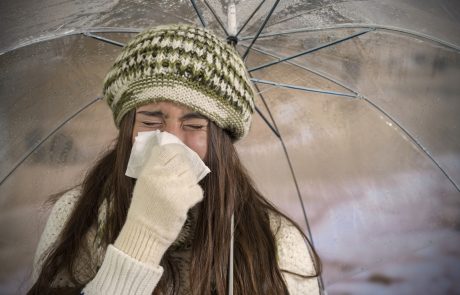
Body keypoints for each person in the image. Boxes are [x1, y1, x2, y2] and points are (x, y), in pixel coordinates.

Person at [28, 24, 321, 295]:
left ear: (221, 141)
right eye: (150, 121)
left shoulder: (277, 241)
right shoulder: (77, 215)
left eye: (194, 126)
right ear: (128, 127)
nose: (171, 141)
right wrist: (144, 235)